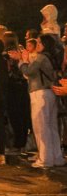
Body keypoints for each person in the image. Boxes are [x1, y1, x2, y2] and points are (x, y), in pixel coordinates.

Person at [11, 35, 65, 168]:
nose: (37, 44)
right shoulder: (51, 58)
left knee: (41, 127)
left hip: (40, 93)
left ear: (46, 44)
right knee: (51, 127)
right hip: (50, 93)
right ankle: (56, 157)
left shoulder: (41, 57)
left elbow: (28, 71)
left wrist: (21, 61)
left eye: (40, 42)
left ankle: (45, 159)